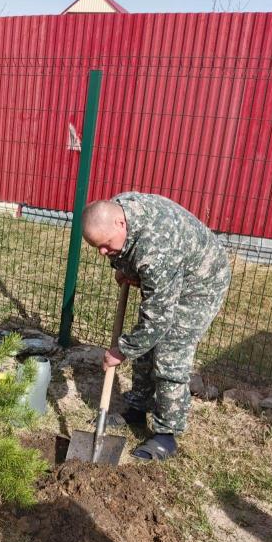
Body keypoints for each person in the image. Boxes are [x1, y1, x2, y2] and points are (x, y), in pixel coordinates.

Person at [82, 192, 231, 461]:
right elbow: (128, 252)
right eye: (98, 248)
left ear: (120, 225)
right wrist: (124, 265)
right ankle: (137, 408)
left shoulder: (155, 247)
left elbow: (158, 319)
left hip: (200, 281)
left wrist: (121, 350)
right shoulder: (118, 211)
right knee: (146, 345)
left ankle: (166, 435)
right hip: (171, 269)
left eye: (106, 245)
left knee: (170, 351)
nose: (103, 253)